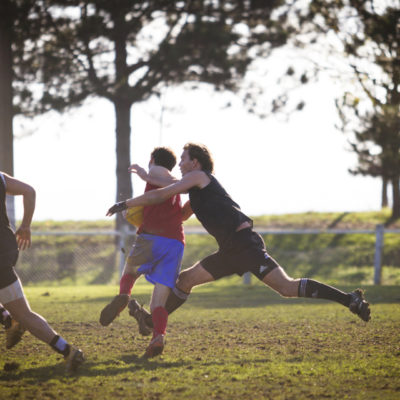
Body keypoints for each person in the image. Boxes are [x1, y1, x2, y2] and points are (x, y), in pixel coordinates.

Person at [106, 143, 371, 338]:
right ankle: (152, 323)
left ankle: (350, 300)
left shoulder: (199, 177)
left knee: (287, 288)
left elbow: (161, 194)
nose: (180, 163)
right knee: (185, 280)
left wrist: (125, 202)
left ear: (195, 163)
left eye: (184, 158)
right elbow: (176, 214)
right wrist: (147, 223)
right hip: (229, 251)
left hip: (245, 245)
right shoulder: (196, 192)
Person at [100, 147, 192, 358]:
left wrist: (143, 174)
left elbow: (158, 184)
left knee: (130, 271)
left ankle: (124, 295)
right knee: (158, 302)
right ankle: (158, 335)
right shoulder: (177, 185)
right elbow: (181, 213)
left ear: (153, 160)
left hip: (152, 237)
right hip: (176, 242)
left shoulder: (157, 172)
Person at [0, 171, 84, 373]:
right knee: (23, 314)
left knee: (23, 315)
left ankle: (67, 350)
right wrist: (26, 225)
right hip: (6, 245)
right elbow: (29, 191)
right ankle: (8, 318)